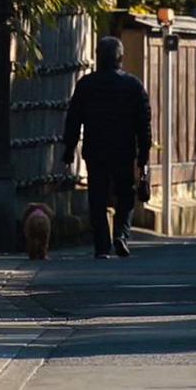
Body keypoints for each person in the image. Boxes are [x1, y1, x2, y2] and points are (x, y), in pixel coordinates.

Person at [63, 36, 152, 259]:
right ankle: (121, 234)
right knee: (125, 194)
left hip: (96, 149)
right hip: (124, 149)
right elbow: (144, 123)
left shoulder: (86, 85)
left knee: (97, 198)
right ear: (120, 58)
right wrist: (144, 155)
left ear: (97, 56)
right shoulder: (133, 86)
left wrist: (68, 148)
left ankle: (102, 246)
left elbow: (73, 119)